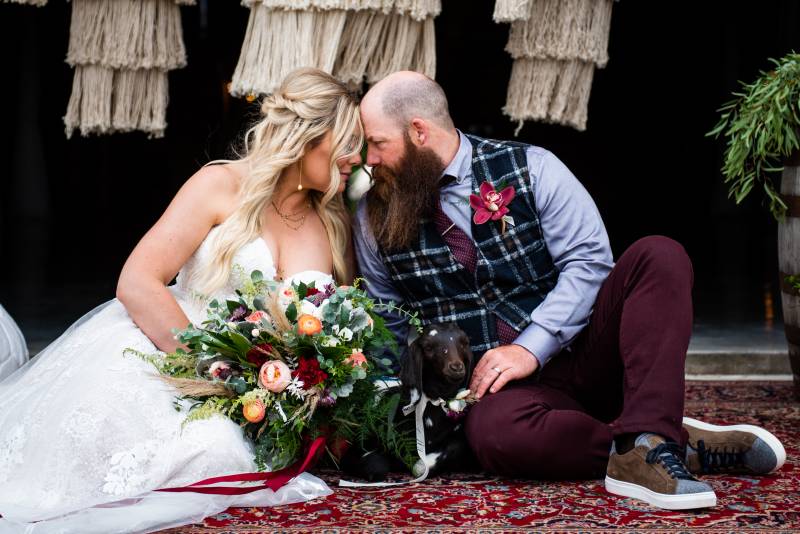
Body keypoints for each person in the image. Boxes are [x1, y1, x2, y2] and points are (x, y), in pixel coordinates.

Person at [352, 71, 786, 511]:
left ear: (418, 132)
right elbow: (386, 318)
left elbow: (590, 262)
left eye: (377, 142)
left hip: (585, 354)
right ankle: (656, 442)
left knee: (659, 254)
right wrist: (382, 412)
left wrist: (530, 347)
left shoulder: (533, 167)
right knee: (496, 439)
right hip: (500, 396)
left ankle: (649, 435)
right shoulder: (372, 217)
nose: (369, 158)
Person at [0, 68, 363, 533]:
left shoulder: (333, 222)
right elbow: (138, 280)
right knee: (206, 450)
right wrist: (209, 372)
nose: (355, 158)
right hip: (167, 348)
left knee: (227, 451)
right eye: (348, 142)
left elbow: (331, 326)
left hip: (259, 390)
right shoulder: (220, 185)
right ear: (309, 135)